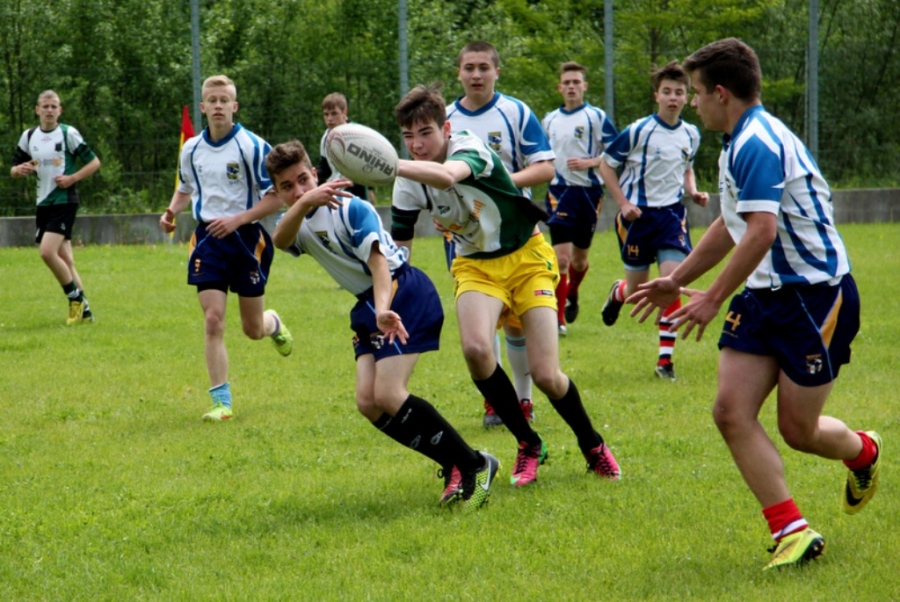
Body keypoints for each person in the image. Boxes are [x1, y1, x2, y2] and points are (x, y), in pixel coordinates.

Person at [628, 38, 882, 571]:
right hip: (764, 296)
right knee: (730, 412)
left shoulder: (758, 142)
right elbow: (732, 224)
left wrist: (713, 297)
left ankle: (864, 451)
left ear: (721, 93)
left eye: (698, 92)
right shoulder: (734, 143)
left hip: (815, 298)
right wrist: (676, 279)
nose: (693, 102)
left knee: (799, 431)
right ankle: (791, 531)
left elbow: (762, 231)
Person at [391, 84, 620, 486]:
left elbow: (446, 176)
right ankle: (528, 443)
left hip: (527, 258)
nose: (417, 145)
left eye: (425, 132)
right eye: (408, 136)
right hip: (475, 265)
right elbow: (400, 248)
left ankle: (592, 442)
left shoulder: (469, 148)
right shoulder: (408, 180)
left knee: (546, 374)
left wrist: (387, 163)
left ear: (446, 129)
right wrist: (394, 298)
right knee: (476, 350)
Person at [267, 139, 499, 512]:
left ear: (315, 174)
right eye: (287, 187)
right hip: (370, 305)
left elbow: (379, 264)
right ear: (277, 193)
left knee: (389, 394)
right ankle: (454, 464)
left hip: (400, 291)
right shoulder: (298, 220)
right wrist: (304, 202)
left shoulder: (350, 208)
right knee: (368, 402)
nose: (298, 190)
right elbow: (280, 240)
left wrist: (382, 310)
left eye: (304, 180)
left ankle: (476, 464)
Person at [159, 74, 293, 422]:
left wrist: (237, 220)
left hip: (247, 240)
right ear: (202, 107)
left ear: (235, 106)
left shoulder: (252, 146)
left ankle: (273, 323)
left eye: (224, 101)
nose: (218, 106)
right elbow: (185, 188)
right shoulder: (191, 149)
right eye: (212, 101)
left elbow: (276, 197)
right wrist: (172, 211)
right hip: (207, 240)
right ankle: (221, 402)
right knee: (213, 319)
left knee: (252, 329)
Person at [447, 40, 556, 427]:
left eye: (483, 67)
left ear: (497, 71)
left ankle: (523, 399)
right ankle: (495, 401)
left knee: (516, 323)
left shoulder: (515, 112)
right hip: (467, 240)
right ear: (458, 73)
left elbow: (545, 168)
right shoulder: (445, 120)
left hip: (514, 236)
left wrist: (499, 184)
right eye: (469, 68)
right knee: (481, 322)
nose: (476, 75)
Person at [597, 61, 709, 381]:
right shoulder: (638, 131)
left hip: (672, 216)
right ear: (656, 96)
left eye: (679, 92)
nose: (673, 98)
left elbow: (686, 167)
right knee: (638, 290)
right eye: (667, 92)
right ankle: (619, 292)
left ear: (687, 97)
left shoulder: (691, 134)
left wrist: (693, 191)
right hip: (638, 219)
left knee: (671, 284)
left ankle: (665, 361)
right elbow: (606, 166)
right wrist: (624, 203)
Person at [11, 90, 101, 325]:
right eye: (45, 106)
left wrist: (72, 178)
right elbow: (14, 168)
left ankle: (75, 299)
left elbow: (94, 162)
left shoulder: (68, 133)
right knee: (66, 260)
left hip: (64, 200)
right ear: (37, 110)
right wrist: (18, 170)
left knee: (47, 252)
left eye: (54, 106)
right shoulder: (29, 136)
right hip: (43, 203)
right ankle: (86, 313)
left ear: (60, 110)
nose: (49, 110)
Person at [541, 62, 619, 335]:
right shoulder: (549, 120)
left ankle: (572, 292)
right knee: (560, 259)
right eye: (567, 83)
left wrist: (589, 162)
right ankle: (558, 318)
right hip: (558, 192)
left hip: (588, 193)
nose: (572, 87)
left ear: (585, 86)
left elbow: (616, 152)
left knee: (579, 261)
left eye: (576, 82)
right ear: (559, 87)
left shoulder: (595, 117)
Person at [317, 92, 378, 204]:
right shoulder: (326, 137)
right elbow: (324, 168)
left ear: (344, 112)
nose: (329, 118)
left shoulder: (358, 134)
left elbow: (368, 163)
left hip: (358, 193)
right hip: (336, 194)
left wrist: (370, 189)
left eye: (334, 113)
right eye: (326, 114)